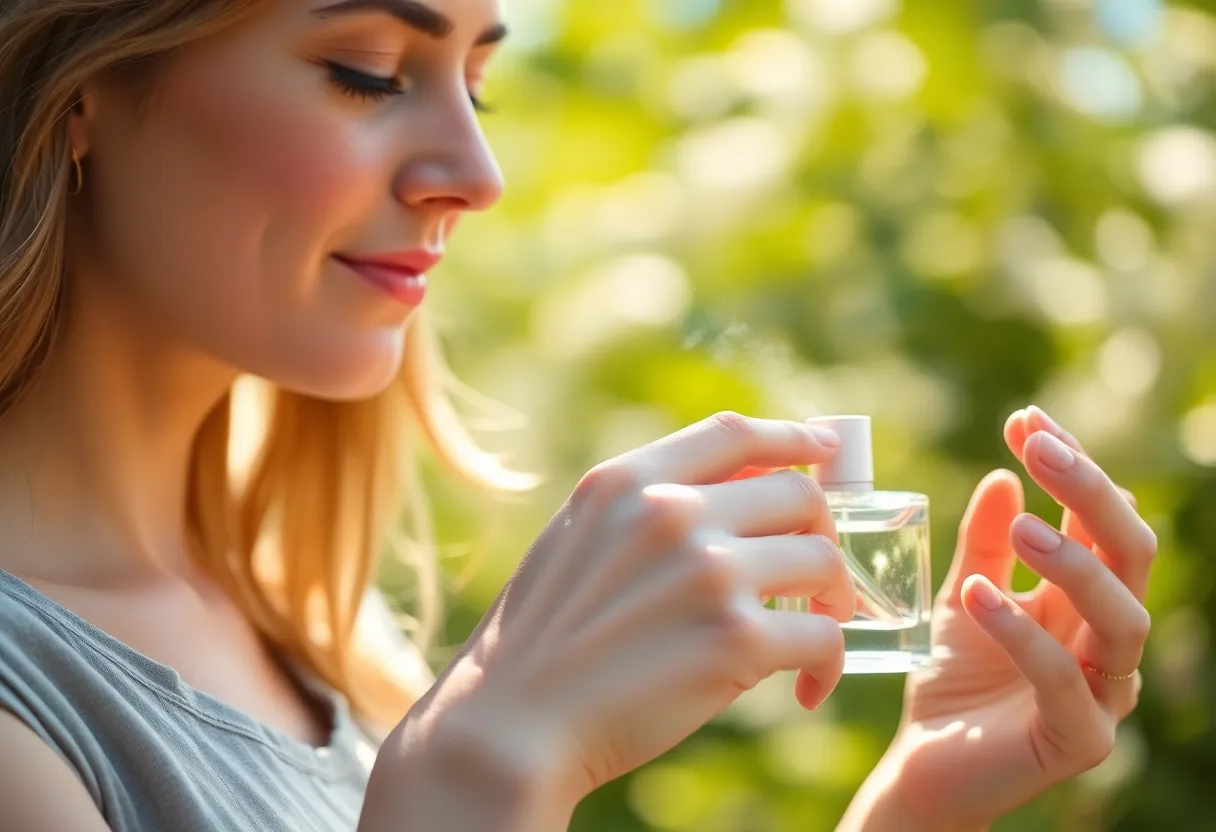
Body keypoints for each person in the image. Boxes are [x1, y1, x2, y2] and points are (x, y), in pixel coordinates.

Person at [0, 1, 1156, 830]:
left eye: (479, 83)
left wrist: (915, 808)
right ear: (84, 84)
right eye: (366, 70)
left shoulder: (324, 640)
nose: (478, 168)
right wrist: (489, 763)